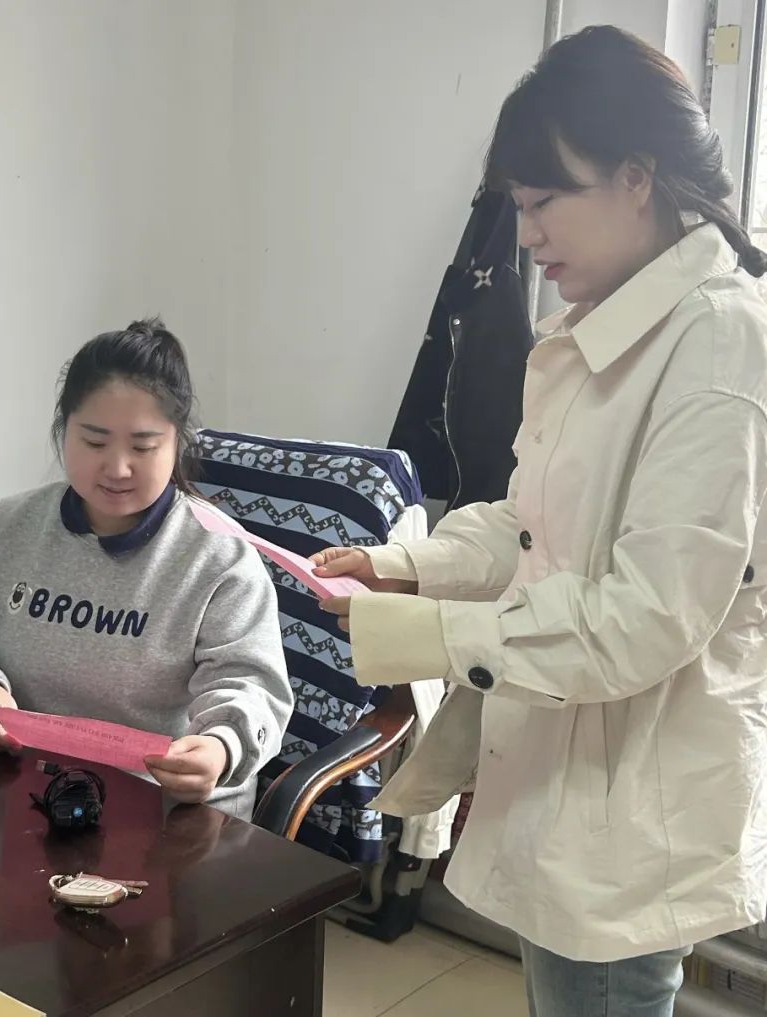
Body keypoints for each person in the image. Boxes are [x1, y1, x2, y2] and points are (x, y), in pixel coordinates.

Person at [315, 25, 767, 1017]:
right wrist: (405, 565)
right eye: (519, 206)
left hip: (625, 808)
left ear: (636, 177)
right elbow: (528, 527)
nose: (525, 236)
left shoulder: (718, 344)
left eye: (542, 202)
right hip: (568, 777)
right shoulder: (597, 332)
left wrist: (423, 631)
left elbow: (646, 617)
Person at [0, 317, 293, 820]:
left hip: (163, 810)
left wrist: (221, 746)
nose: (117, 468)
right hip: (24, 791)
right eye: (94, 442)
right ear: (63, 430)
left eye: (143, 446)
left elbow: (253, 686)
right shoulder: (13, 525)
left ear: (177, 443)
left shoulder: (219, 557)